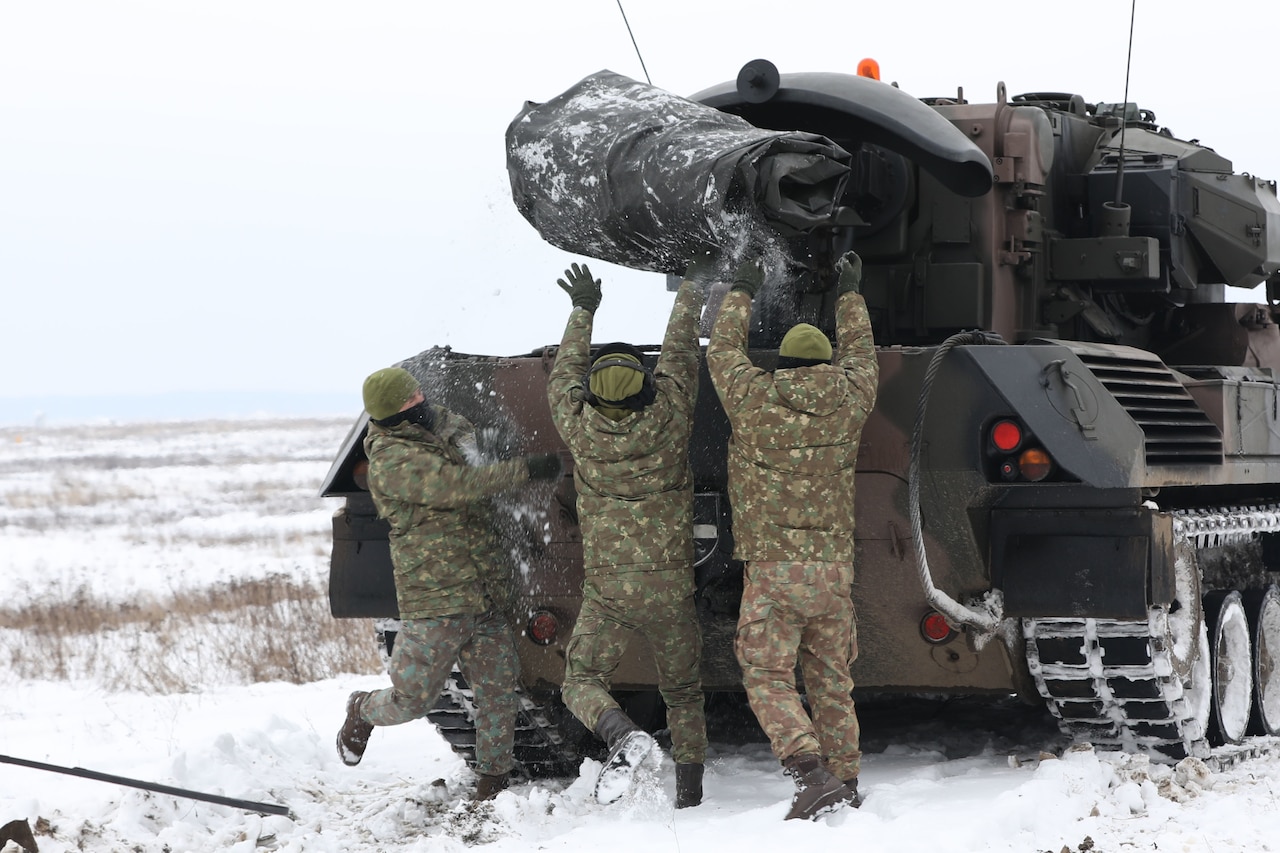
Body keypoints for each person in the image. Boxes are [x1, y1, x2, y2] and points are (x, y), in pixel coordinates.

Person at [335, 366, 564, 802]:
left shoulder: (433, 423)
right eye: (411, 401)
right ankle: (362, 708)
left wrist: (479, 445)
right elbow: (457, 486)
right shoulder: (392, 460)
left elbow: (460, 432)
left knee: (499, 694)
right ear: (391, 416)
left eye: (420, 394)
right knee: (413, 700)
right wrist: (523, 469)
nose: (422, 401)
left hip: (483, 592)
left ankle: (491, 786)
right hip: (437, 600)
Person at [706, 250, 878, 821]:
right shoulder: (851, 400)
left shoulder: (755, 400)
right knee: (831, 679)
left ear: (779, 363)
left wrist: (743, 289)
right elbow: (862, 356)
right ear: (828, 363)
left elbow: (722, 352)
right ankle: (846, 781)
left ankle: (809, 772)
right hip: (832, 572)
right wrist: (850, 294)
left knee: (766, 674)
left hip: (775, 571)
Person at [546, 259, 709, 808]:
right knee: (683, 693)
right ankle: (690, 795)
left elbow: (565, 375)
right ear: (645, 387)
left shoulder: (579, 426)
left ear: (592, 395)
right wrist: (691, 288)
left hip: (611, 592)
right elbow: (682, 350)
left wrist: (583, 309)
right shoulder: (671, 416)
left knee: (578, 682)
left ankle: (621, 732)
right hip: (670, 588)